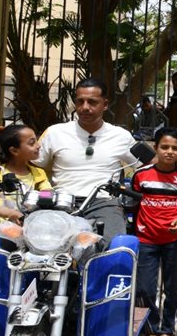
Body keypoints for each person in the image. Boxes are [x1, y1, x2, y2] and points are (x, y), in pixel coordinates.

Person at [31, 78, 143, 240]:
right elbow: (30, 162)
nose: (85, 107)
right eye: (80, 101)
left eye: (92, 102)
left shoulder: (121, 136)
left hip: (104, 203)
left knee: (115, 246)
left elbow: (150, 164)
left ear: (105, 104)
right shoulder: (55, 132)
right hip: (61, 202)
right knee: (41, 243)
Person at [131, 127, 177, 336]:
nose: (169, 152)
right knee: (144, 288)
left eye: (175, 148)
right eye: (164, 147)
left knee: (173, 287)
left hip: (175, 241)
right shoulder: (141, 175)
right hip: (146, 239)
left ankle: (168, 331)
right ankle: (150, 330)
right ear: (156, 148)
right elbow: (133, 205)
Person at [0, 124, 51, 228]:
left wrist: (45, 199)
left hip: (22, 230)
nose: (38, 145)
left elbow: (47, 192)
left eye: (36, 140)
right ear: (14, 151)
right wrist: (12, 214)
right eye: (32, 143)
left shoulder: (38, 173)